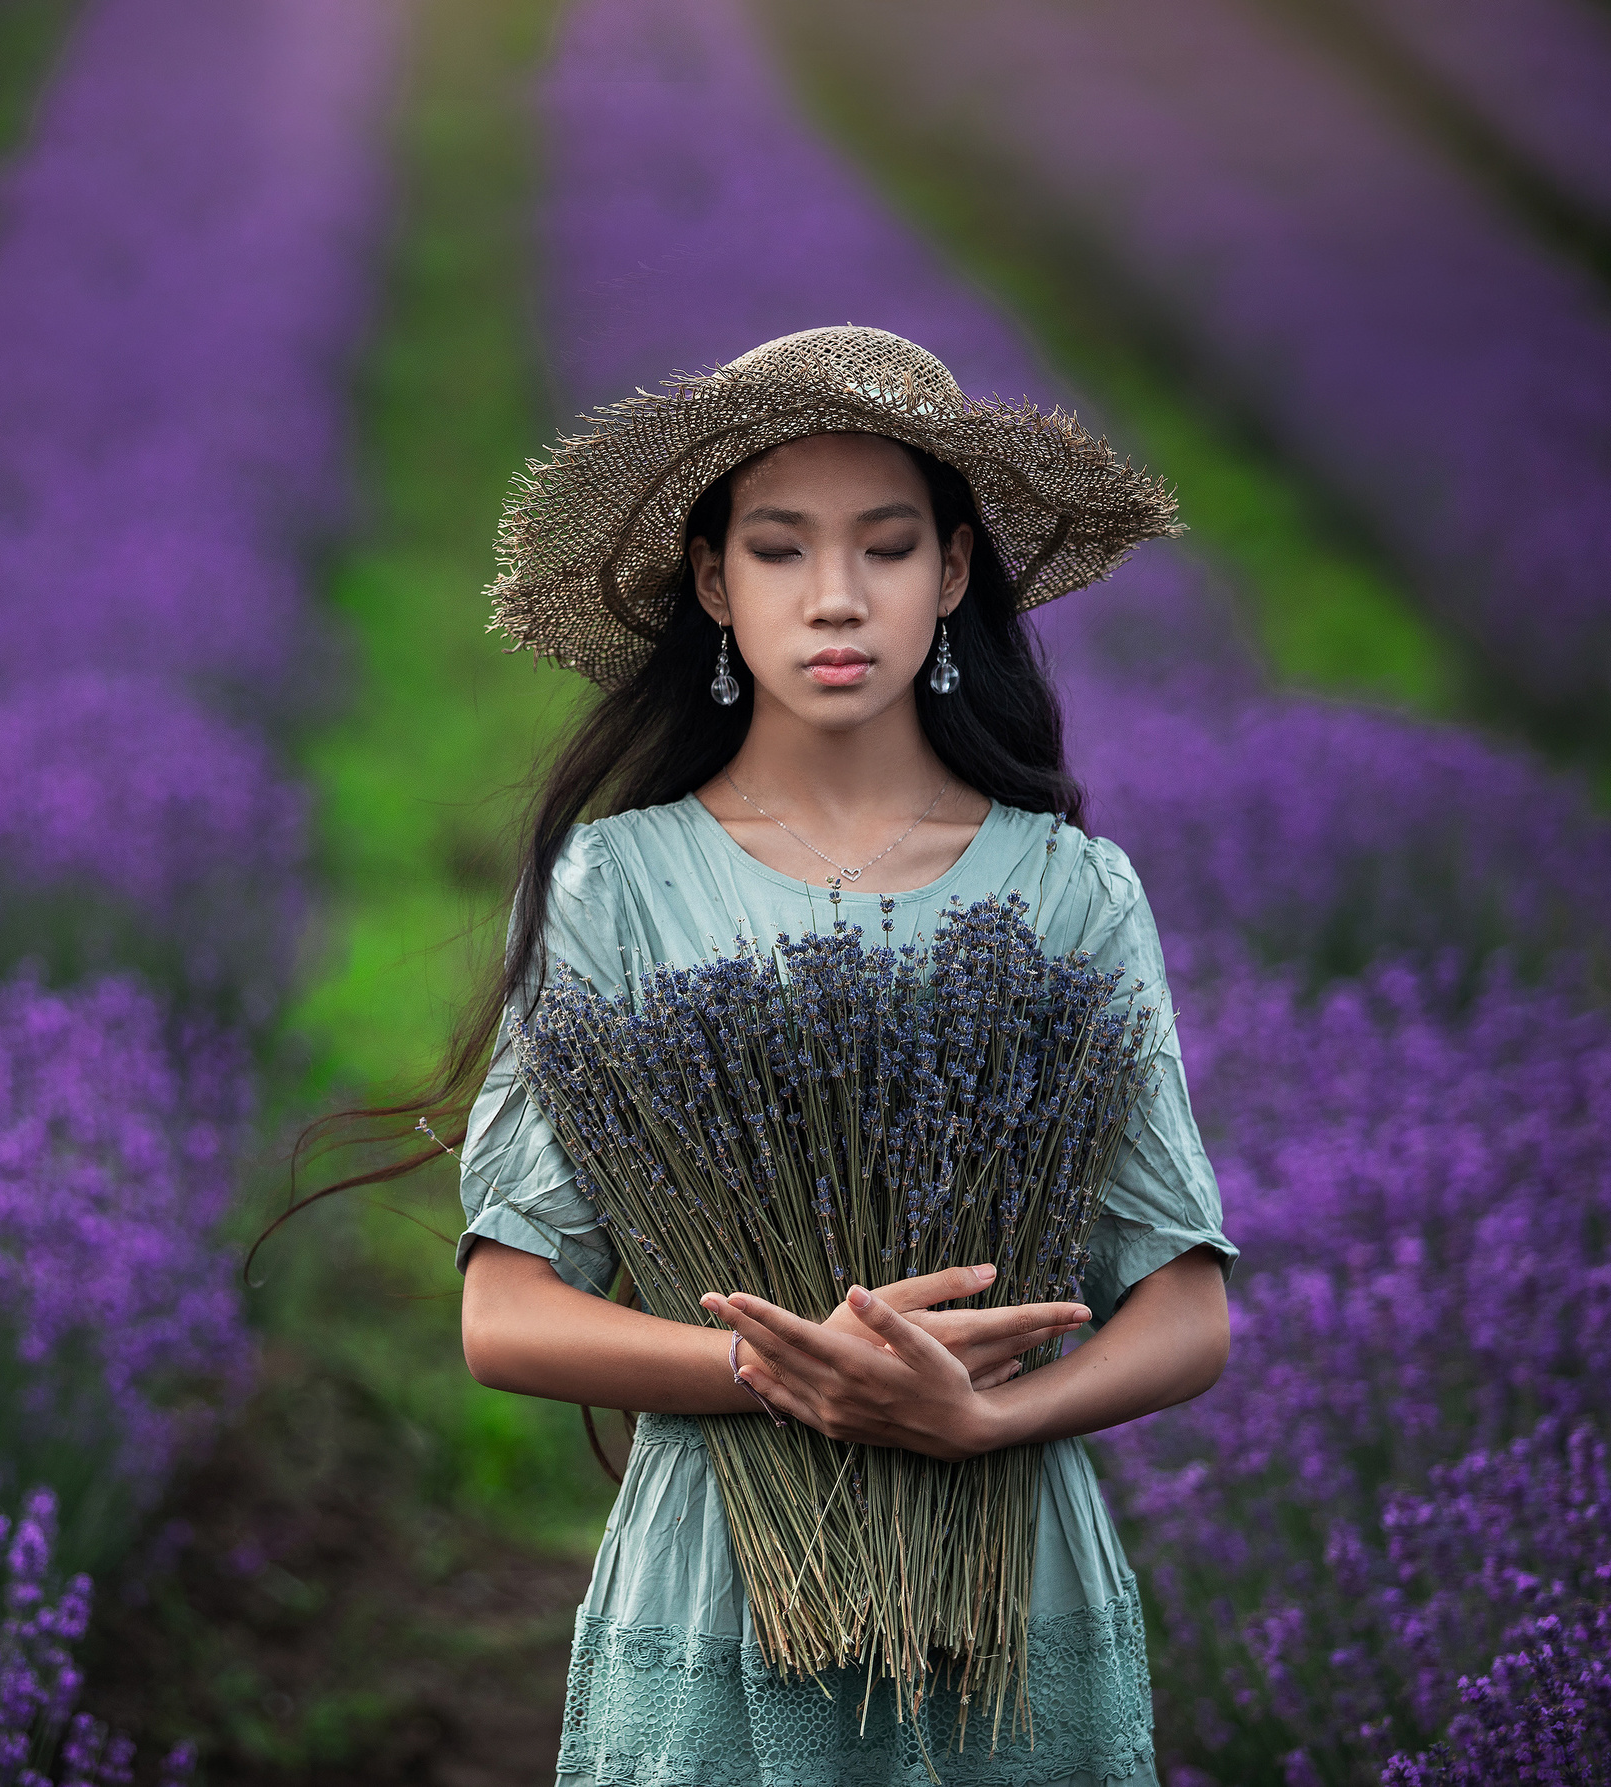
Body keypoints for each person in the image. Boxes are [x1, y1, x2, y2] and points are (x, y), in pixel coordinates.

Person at [453, 328, 1236, 1784]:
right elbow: (505, 1315)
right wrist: (783, 1370)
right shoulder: (611, 888)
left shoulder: (1072, 891)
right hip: (727, 1590)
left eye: (885, 549)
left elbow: (1186, 1306)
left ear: (950, 576)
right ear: (712, 583)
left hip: (1016, 1596)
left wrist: (981, 1413)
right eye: (778, 547)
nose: (833, 598)